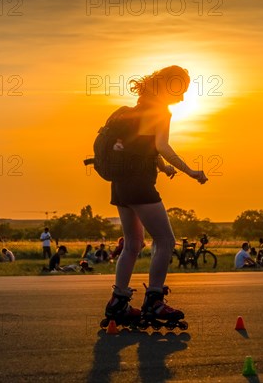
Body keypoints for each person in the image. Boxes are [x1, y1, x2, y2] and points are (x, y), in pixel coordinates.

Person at [102, 65, 208, 329]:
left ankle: (118, 302)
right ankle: (154, 300)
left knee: (133, 244)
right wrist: (190, 171)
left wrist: (163, 167)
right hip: (139, 185)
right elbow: (161, 145)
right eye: (180, 91)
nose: (182, 98)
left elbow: (142, 147)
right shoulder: (160, 111)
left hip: (120, 186)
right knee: (165, 240)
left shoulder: (131, 112)